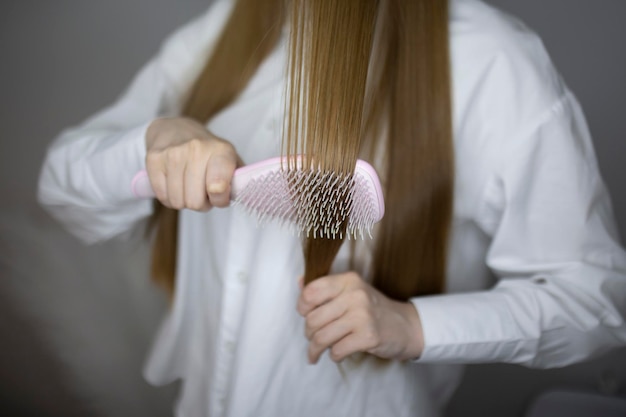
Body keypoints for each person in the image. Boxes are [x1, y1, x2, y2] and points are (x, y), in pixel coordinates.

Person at [38, 0, 626, 416]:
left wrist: (414, 325)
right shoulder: (222, 30)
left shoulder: (490, 62)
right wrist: (154, 140)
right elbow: (61, 187)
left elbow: (594, 300)